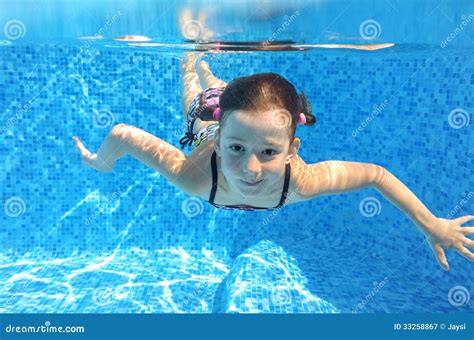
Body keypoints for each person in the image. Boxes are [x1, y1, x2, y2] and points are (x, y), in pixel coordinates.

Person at [73, 53, 474, 271]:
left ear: (292, 150)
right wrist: (100, 162)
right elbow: (122, 134)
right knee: (198, 103)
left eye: (269, 153)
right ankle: (193, 64)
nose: (250, 170)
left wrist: (432, 224)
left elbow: (377, 175)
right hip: (211, 126)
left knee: (229, 101)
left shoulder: (301, 179)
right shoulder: (196, 176)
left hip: (231, 123)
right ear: (220, 149)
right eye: (237, 152)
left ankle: (212, 76)